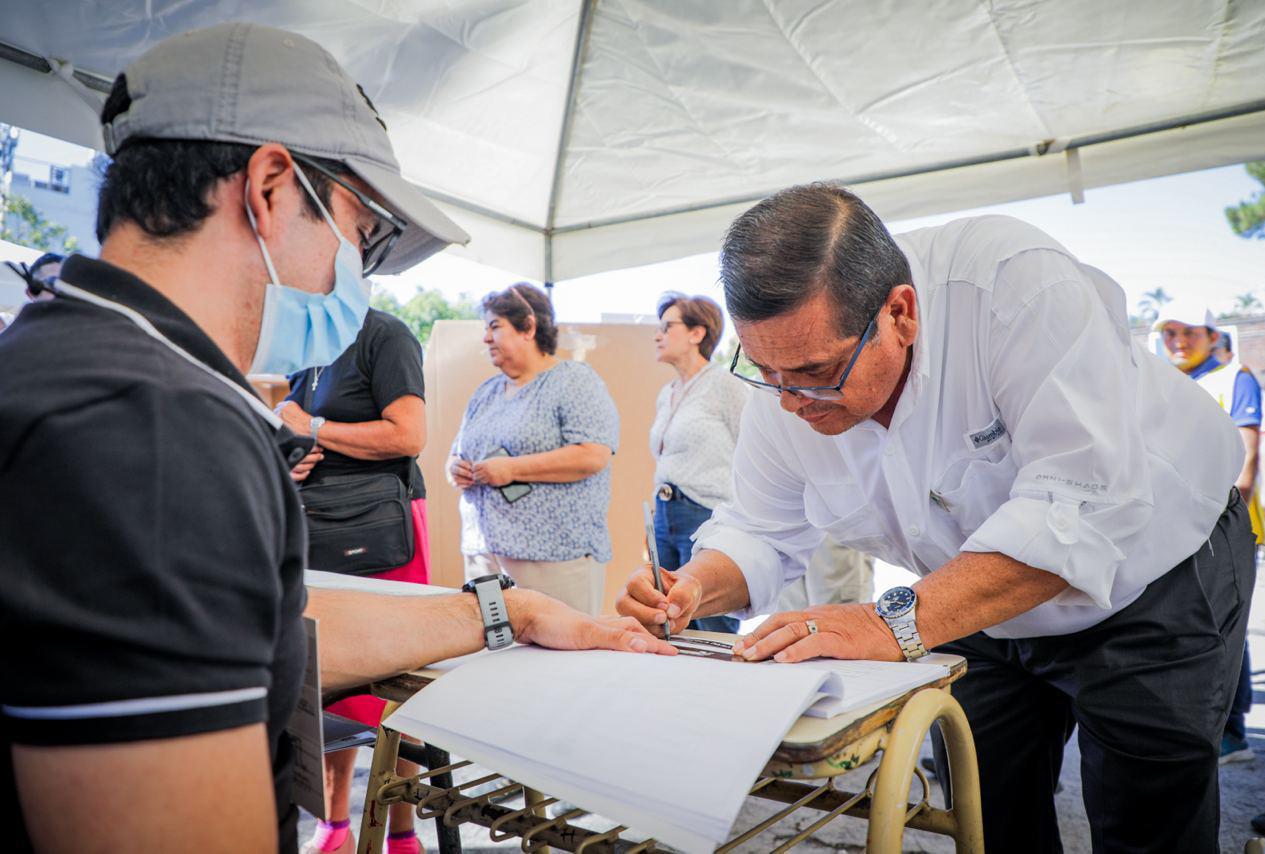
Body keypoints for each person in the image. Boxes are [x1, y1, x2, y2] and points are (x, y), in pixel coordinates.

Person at [0, 24, 674, 854]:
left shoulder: (73, 364)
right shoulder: (155, 430)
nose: (355, 271)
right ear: (272, 187)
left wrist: (507, 611)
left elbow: (261, 619)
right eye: (362, 234)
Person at [617, 184, 1253, 853]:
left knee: (1146, 813)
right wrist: (695, 585)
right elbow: (758, 528)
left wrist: (886, 623)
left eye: (816, 372)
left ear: (901, 313)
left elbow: (1080, 504)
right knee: (985, 800)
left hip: (1155, 570)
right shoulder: (788, 387)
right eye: (766, 371)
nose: (790, 402)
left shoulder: (1014, 285)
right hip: (976, 591)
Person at [278, 307, 432, 854]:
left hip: (384, 535)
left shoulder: (384, 336)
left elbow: (409, 435)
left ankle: (403, 832)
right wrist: (291, 452)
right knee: (329, 684)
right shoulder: (305, 345)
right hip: (319, 530)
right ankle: (335, 824)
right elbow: (302, 431)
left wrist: (315, 428)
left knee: (402, 685)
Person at [448, 284, 619, 615]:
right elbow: (458, 450)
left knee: (557, 660)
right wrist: (455, 466)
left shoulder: (574, 381)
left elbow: (593, 454)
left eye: (495, 326)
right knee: (491, 653)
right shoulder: (487, 392)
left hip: (553, 558)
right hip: (484, 554)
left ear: (528, 327)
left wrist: (512, 469)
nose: (485, 338)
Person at [1155, 304, 1263, 767]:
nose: (1177, 341)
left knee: (1227, 631)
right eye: (1169, 332)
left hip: (1219, 523)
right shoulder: (1167, 381)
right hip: (1177, 525)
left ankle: (1234, 734)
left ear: (1212, 334)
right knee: (1198, 630)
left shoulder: (1234, 377)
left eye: (1188, 332)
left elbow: (1248, 456)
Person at [650, 292, 749, 633]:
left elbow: (751, 451)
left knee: (712, 622)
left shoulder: (725, 384)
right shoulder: (667, 391)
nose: (657, 335)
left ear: (697, 333)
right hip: (665, 515)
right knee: (668, 619)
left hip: (707, 514)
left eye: (667, 326)